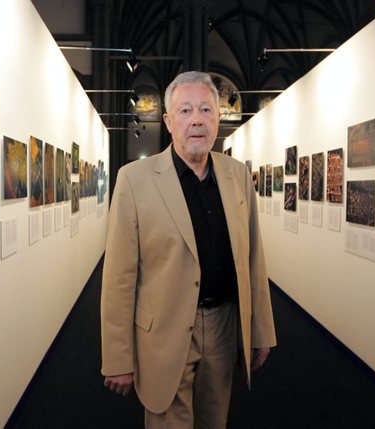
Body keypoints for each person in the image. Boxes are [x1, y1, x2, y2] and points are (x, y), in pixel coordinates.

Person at [100, 71, 276, 428]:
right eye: (185, 111)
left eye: (206, 110)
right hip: (163, 329)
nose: (197, 120)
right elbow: (119, 276)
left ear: (218, 119)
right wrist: (117, 356)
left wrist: (261, 330)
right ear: (168, 121)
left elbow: (253, 259)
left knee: (215, 419)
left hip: (225, 324)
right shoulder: (134, 180)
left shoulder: (238, 174)